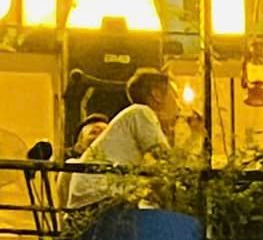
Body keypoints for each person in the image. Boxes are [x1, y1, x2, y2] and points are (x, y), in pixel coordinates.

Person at [64, 70, 197, 210]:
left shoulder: (138, 119)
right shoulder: (141, 112)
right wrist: (195, 136)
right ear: (157, 95)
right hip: (97, 202)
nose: (178, 105)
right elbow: (170, 163)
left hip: (95, 202)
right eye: (175, 96)